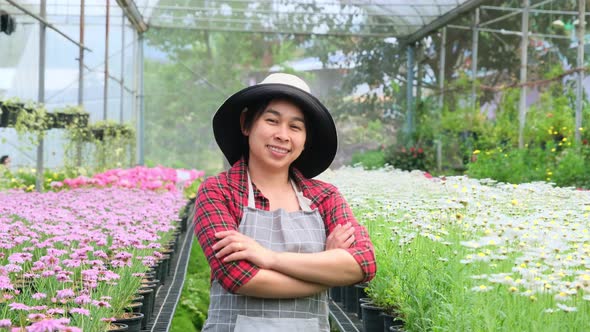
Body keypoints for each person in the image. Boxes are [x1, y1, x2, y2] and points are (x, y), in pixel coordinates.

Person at [194, 73, 376, 332]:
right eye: (272, 120)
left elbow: (363, 263)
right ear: (246, 124)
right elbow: (240, 277)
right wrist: (326, 271)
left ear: (305, 139)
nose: (282, 135)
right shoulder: (219, 191)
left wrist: (268, 258)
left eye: (295, 127)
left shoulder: (324, 197)